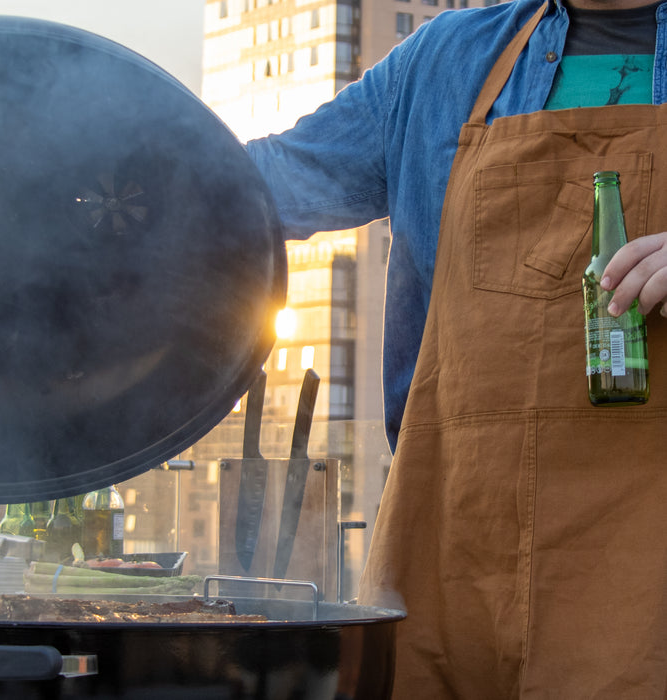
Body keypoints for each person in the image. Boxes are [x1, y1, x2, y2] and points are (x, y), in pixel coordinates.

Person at [246, 0, 667, 696]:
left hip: (647, 574)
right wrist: (79, 176)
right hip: (453, 548)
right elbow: (258, 186)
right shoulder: (442, 61)